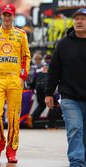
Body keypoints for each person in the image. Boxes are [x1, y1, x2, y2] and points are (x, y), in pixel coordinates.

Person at [0, 4, 31, 163]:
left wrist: (23, 77)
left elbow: (26, 57)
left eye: (10, 15)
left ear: (13, 16)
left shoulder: (21, 35)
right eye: (5, 15)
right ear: (1, 15)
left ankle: (12, 150)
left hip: (15, 80)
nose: (7, 18)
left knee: (14, 118)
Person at [45, 8, 86, 167]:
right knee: (75, 129)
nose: (79, 21)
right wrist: (49, 93)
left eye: (83, 18)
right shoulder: (63, 44)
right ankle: (76, 163)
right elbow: (54, 70)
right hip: (69, 98)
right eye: (77, 19)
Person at [27, 54, 60, 128]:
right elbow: (54, 78)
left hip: (38, 87)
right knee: (53, 104)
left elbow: (34, 78)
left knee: (42, 104)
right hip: (47, 87)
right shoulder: (53, 65)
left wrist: (32, 88)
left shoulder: (39, 67)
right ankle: (52, 125)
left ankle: (32, 117)